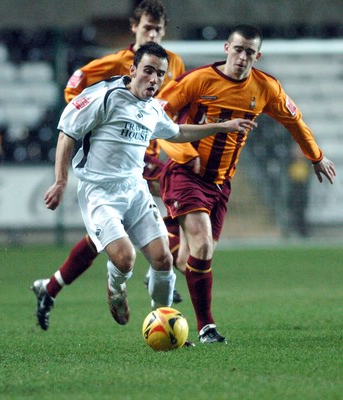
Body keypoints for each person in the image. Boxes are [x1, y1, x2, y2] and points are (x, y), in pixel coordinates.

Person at [34, 43, 257, 334]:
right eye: (148, 71)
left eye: (160, 74)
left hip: (135, 189)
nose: (153, 79)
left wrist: (222, 126)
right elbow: (67, 134)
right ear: (133, 70)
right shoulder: (107, 97)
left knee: (163, 259)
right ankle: (115, 287)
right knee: (126, 258)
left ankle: (165, 325)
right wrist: (61, 181)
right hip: (100, 192)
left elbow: (176, 133)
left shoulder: (152, 108)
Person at [156, 24, 336, 344]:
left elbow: (295, 121)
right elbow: (157, 114)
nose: (242, 57)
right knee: (203, 246)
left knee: (189, 259)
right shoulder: (198, 80)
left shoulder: (266, 88)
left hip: (221, 183)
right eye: (238, 49)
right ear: (226, 48)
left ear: (258, 55)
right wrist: (180, 152)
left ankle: (163, 249)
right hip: (186, 172)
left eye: (249, 52)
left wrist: (316, 156)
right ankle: (206, 327)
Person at [31, 0, 185, 331]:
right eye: (147, 27)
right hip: (111, 162)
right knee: (113, 243)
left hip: (146, 159)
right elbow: (75, 88)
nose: (152, 33)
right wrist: (96, 127)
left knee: (126, 242)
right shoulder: (113, 64)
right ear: (134, 27)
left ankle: (53, 288)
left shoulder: (174, 64)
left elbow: (170, 110)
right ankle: (150, 281)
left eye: (158, 29)